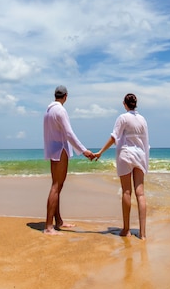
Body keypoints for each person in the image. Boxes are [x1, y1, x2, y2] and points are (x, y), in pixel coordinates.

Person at [95, 93, 149, 240]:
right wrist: (145, 162)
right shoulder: (143, 120)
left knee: (126, 192)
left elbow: (114, 137)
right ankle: (143, 234)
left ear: (124, 104)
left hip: (126, 155)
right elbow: (146, 142)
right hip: (140, 156)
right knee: (141, 194)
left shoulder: (123, 118)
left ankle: (126, 229)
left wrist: (100, 152)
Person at [43, 85, 94, 235]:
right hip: (60, 149)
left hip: (53, 149)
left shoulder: (49, 110)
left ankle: (58, 221)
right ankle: (48, 226)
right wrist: (83, 150)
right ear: (66, 96)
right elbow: (69, 133)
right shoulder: (60, 110)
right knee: (56, 186)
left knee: (57, 186)